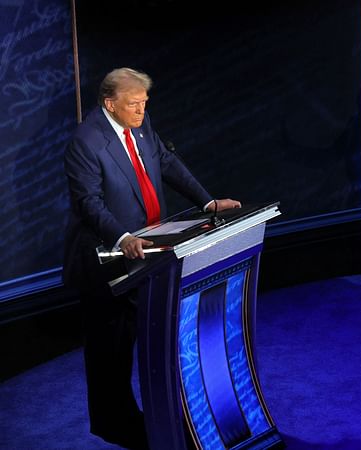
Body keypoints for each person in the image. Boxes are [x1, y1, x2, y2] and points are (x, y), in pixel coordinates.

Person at [63, 67, 241, 449]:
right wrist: (122, 235)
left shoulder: (141, 124)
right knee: (111, 352)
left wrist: (207, 201)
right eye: (133, 105)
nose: (141, 111)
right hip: (106, 262)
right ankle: (117, 426)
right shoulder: (86, 141)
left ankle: (163, 421)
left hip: (150, 256)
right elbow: (88, 202)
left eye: (144, 104)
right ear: (110, 104)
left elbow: (167, 162)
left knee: (155, 336)